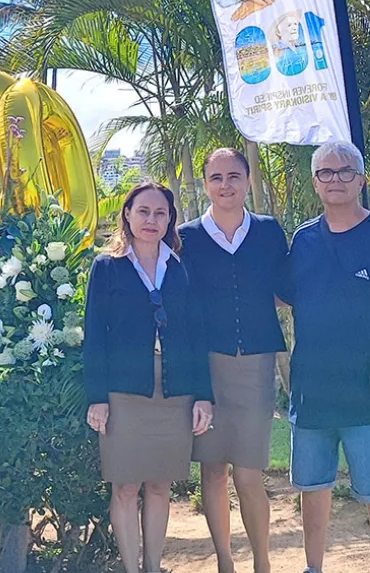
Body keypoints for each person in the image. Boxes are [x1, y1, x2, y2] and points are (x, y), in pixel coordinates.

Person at [280, 141, 370, 573]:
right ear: (315, 182)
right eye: (326, 173)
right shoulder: (303, 239)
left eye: (346, 172)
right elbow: (280, 297)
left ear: (362, 179)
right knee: (312, 487)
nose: (337, 180)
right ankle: (313, 566)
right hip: (312, 391)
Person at [84, 181, 213, 573]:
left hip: (173, 389)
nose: (151, 220)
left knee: (160, 484)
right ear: (127, 214)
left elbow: (195, 334)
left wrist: (203, 396)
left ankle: (153, 567)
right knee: (125, 485)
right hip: (124, 390)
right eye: (143, 211)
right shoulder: (107, 267)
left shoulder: (179, 268)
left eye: (160, 213)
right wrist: (97, 397)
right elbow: (94, 334)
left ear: (170, 218)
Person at [179, 149, 288, 573]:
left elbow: (286, 288)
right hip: (206, 367)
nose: (225, 185)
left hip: (256, 365)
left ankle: (263, 562)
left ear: (246, 180)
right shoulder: (186, 237)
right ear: (205, 184)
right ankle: (225, 561)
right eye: (216, 177)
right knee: (213, 472)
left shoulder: (268, 231)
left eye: (234, 176)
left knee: (248, 474)